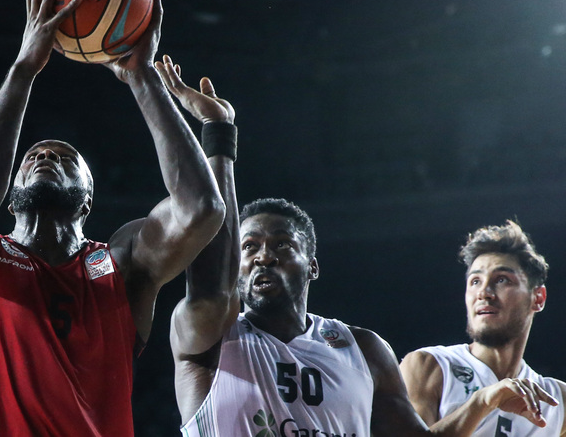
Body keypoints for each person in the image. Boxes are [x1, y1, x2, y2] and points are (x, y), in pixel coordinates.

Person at [164, 63, 557, 436]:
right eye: (249, 246)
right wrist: (218, 136)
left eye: (282, 245)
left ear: (312, 266)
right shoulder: (212, 335)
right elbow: (210, 274)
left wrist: (483, 401)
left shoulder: (362, 348)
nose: (263, 256)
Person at [0, 0, 225, 436]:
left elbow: (202, 209)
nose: (44, 154)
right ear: (10, 190)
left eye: (65, 158)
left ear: (87, 200)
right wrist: (24, 68)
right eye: (34, 155)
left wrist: (144, 76)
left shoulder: (123, 265)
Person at [401, 220, 565, 436]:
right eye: (475, 281)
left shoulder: (557, 399)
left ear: (538, 297)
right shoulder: (430, 365)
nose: (484, 292)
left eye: (502, 279)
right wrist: (482, 402)